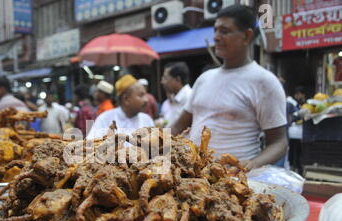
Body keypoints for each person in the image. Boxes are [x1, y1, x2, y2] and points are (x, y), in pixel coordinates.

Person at [172, 5, 288, 170]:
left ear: (246, 36)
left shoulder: (265, 81)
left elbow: (279, 142)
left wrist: (252, 164)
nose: (216, 37)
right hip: (193, 176)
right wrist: (150, 143)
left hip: (234, 182)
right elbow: (178, 126)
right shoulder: (204, 79)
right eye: (215, 31)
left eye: (224, 31)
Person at [87, 74, 154, 140]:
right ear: (126, 99)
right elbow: (91, 145)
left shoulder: (147, 120)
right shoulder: (104, 119)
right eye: (141, 95)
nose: (146, 100)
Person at [160, 62, 193, 127]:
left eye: (165, 78)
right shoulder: (173, 99)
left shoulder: (190, 97)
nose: (162, 82)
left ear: (178, 79)